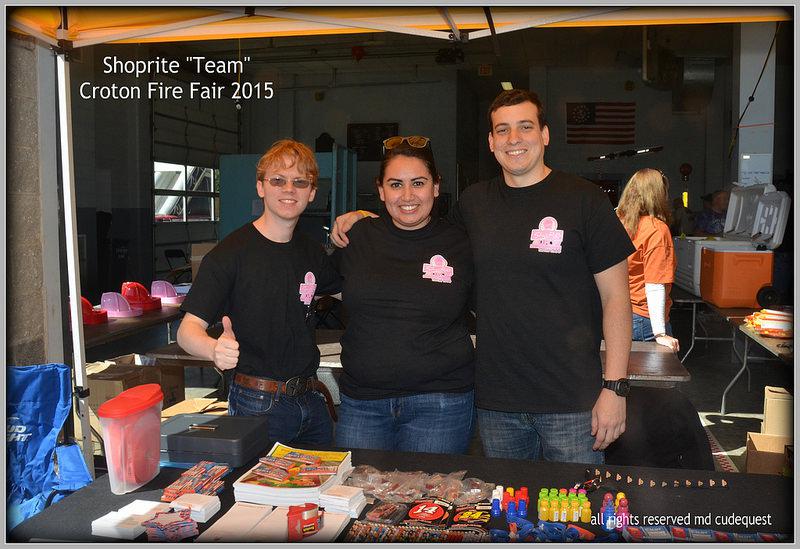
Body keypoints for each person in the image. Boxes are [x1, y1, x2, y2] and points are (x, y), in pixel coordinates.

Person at [332, 89, 634, 464]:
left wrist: (615, 387)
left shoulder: (584, 200)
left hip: (572, 402)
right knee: (507, 519)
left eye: (525, 127)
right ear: (491, 142)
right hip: (496, 403)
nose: (514, 139)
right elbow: (418, 232)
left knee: (577, 517)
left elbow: (618, 299)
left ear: (545, 134)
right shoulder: (474, 204)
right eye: (502, 130)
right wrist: (362, 218)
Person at [177, 139, 340, 446]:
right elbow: (187, 330)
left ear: (312, 193)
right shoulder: (230, 254)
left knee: (319, 493)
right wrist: (213, 349)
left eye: (299, 182)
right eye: (278, 180)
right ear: (261, 187)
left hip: (311, 402)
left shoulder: (312, 252)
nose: (289, 189)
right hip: (258, 404)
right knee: (258, 495)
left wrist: (363, 220)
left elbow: (356, 290)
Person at [332, 136, 476, 454]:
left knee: (428, 502)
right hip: (363, 404)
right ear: (381, 190)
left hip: (441, 405)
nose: (407, 196)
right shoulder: (357, 238)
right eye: (396, 185)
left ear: (436, 187)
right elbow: (311, 283)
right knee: (357, 501)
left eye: (419, 183)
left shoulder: (462, 244)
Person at [616, 169, 680, 352]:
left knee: (621, 375)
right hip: (645, 321)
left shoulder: (618, 223)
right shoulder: (656, 230)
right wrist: (660, 333)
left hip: (618, 315)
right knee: (651, 378)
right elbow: (654, 284)